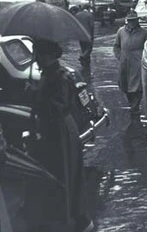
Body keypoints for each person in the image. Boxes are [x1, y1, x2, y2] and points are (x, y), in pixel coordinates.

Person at [31, 39, 94, 232]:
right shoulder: (50, 74)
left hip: (61, 131)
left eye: (37, 54)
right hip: (55, 130)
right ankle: (69, 216)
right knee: (60, 172)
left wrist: (36, 96)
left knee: (67, 172)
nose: (35, 59)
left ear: (45, 55)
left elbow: (59, 106)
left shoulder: (59, 76)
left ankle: (77, 219)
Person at [113, 12, 147, 117]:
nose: (131, 23)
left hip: (138, 63)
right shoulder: (121, 31)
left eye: (134, 20)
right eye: (130, 20)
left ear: (137, 20)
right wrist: (120, 56)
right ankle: (131, 103)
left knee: (137, 86)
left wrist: (144, 58)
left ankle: (135, 106)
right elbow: (116, 46)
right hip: (124, 62)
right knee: (125, 84)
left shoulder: (144, 33)